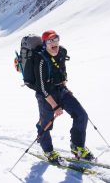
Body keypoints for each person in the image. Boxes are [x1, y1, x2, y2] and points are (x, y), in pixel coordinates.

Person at [33, 30, 94, 163]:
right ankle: (48, 150)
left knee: (81, 115)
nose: (54, 43)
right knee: (45, 124)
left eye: (56, 39)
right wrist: (55, 106)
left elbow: (61, 72)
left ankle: (77, 146)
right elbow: (42, 88)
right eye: (50, 41)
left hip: (61, 90)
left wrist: (65, 87)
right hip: (45, 95)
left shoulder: (61, 52)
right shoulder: (41, 60)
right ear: (45, 44)